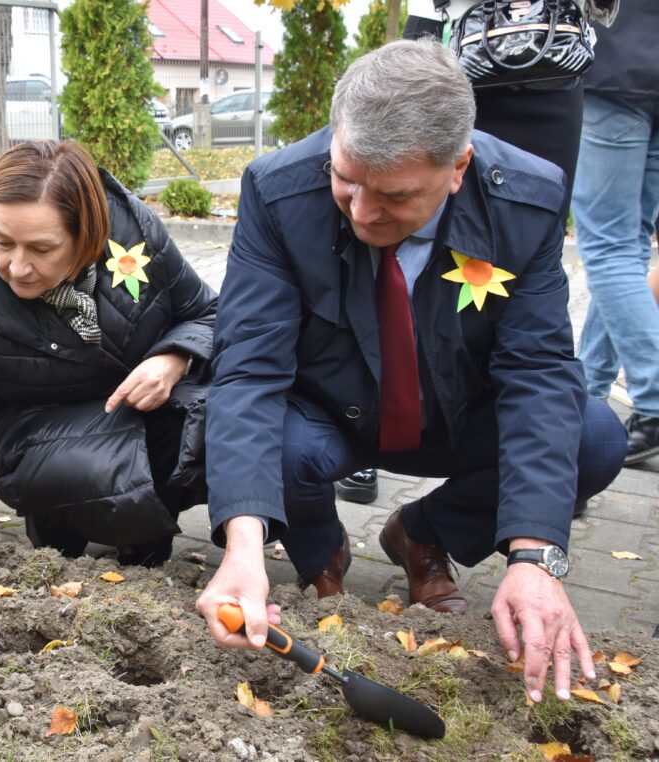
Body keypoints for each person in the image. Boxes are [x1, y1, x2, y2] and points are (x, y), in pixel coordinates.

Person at [196, 41, 627, 704]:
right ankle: (321, 552)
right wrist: (244, 547)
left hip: (454, 414)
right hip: (329, 416)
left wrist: (536, 556)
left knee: (592, 436)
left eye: (394, 195)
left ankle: (424, 534)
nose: (363, 212)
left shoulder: (527, 203)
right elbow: (250, 372)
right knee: (271, 449)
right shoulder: (278, 193)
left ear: (459, 168)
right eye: (345, 179)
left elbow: (538, 373)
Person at [0, 141, 216, 636]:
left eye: (41, 248)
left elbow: (208, 311)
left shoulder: (135, 235)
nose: (16, 267)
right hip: (30, 424)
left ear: (87, 234)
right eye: (3, 242)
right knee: (103, 469)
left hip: (123, 402)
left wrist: (174, 358)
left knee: (216, 421)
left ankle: (129, 530)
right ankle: (61, 518)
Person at [338, 0, 620, 508]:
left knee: (517, 245)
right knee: (397, 208)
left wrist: (537, 537)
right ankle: (368, 422)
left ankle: (450, 515)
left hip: (551, 64)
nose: (358, 211)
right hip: (456, 49)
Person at [570, 0, 659, 466]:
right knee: (630, 242)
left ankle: (655, 401)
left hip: (618, 69)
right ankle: (587, 396)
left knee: (608, 249)